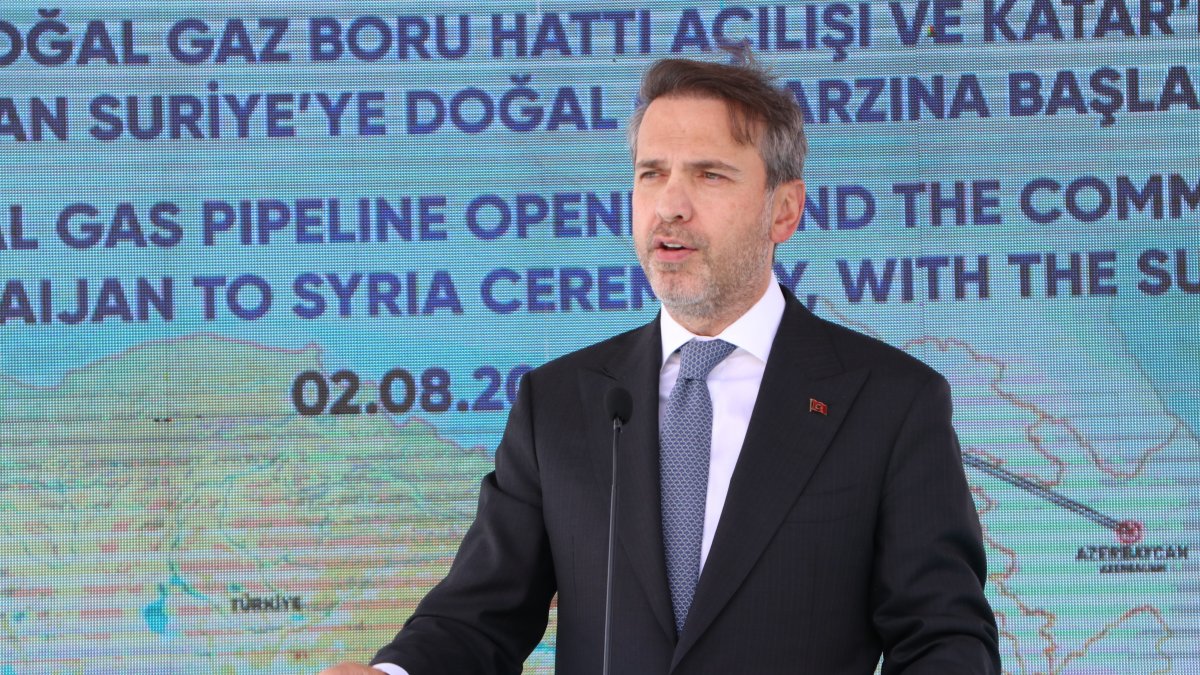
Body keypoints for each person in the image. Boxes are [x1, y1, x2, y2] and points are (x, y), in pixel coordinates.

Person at [322, 52, 1001, 674]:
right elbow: (479, 616)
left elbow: (942, 638)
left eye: (709, 174)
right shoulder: (560, 402)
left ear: (784, 210)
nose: (670, 205)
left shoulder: (888, 402)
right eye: (652, 174)